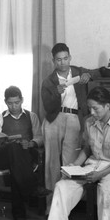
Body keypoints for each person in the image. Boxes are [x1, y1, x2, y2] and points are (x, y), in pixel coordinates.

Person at [37, 87, 110, 220]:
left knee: (105, 191)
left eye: (96, 108)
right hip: (92, 165)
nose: (92, 112)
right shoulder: (88, 122)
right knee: (61, 186)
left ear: (107, 106)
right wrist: (73, 166)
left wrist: (100, 175)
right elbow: (87, 149)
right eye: (90, 108)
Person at [41, 43, 101, 211]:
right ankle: (51, 206)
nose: (63, 63)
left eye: (65, 58)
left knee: (71, 162)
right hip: (54, 119)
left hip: (75, 118)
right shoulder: (48, 81)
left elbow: (97, 73)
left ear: (70, 57)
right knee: (51, 162)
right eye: (59, 60)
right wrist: (56, 93)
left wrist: (88, 75)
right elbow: (48, 106)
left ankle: (66, 206)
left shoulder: (77, 71)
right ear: (53, 61)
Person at [0, 86, 50, 220]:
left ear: (22, 100)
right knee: (14, 149)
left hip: (25, 156)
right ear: (5, 102)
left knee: (16, 167)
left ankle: (19, 213)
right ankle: (33, 187)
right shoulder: (0, 118)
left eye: (16, 102)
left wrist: (31, 143)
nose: (14, 106)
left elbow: (40, 138)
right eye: (10, 103)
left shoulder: (31, 116)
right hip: (4, 157)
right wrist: (6, 144)